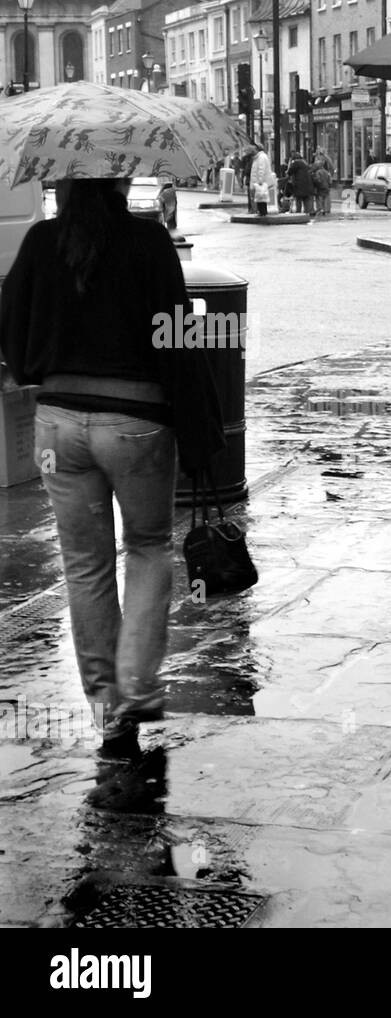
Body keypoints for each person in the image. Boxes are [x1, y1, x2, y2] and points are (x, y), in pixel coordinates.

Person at [0, 177, 225, 755]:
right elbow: (178, 338)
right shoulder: (148, 242)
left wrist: (34, 366)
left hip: (58, 424)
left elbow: (10, 325)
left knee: (85, 567)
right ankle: (136, 683)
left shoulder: (40, 241)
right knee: (148, 547)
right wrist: (200, 430)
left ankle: (108, 709)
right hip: (137, 425)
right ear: (121, 183)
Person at [249, 144, 273, 216]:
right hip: (259, 182)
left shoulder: (261, 157)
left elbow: (261, 169)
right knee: (260, 197)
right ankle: (261, 211)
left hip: (260, 182)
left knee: (261, 197)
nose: (252, 151)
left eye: (253, 150)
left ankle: (262, 212)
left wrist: (260, 181)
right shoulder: (259, 157)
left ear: (257, 149)